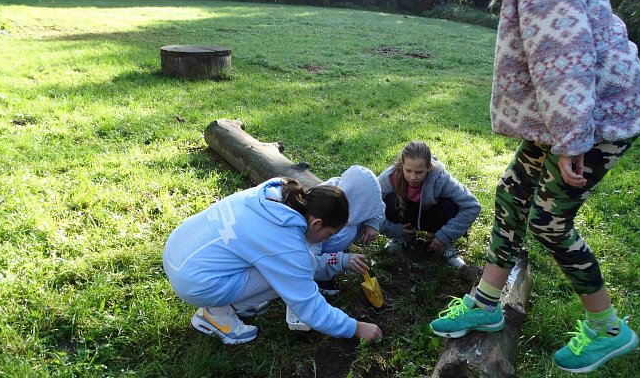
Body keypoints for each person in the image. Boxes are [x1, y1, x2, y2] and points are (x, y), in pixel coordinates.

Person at [428, 0, 640, 373]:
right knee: (512, 191)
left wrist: (572, 139)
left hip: (599, 119)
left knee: (550, 221)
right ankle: (486, 303)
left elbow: (563, 57)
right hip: (572, 119)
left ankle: (608, 328)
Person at [163, 177, 383, 344]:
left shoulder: (278, 195)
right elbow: (308, 306)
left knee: (285, 268)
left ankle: (236, 302)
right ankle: (215, 315)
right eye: (329, 235)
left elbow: (301, 261)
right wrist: (355, 328)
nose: (327, 240)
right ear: (316, 224)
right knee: (285, 278)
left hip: (180, 250)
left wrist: (341, 260)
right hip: (194, 282)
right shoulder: (284, 240)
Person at [378, 141, 482, 269]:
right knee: (390, 200)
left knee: (450, 205)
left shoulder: (441, 179)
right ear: (401, 165)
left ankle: (446, 245)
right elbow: (370, 204)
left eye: (419, 172)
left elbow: (472, 206)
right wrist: (393, 229)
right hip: (406, 215)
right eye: (408, 170)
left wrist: (445, 235)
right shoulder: (390, 177)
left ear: (429, 167)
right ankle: (401, 237)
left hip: (433, 216)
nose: (413, 177)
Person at [311, 165, 386, 296]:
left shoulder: (347, 188)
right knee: (348, 232)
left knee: (349, 229)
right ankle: (320, 280)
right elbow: (308, 264)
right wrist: (341, 260)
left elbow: (378, 207)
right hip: (313, 255)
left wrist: (373, 223)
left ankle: (334, 254)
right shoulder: (319, 217)